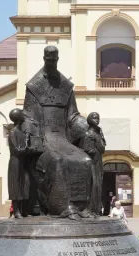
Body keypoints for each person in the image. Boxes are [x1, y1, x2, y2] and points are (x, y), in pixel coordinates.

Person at [22, 45, 96, 220]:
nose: (52, 62)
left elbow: (73, 116)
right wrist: (33, 134)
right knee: (57, 160)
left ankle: (82, 207)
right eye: (49, 60)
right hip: (44, 137)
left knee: (84, 160)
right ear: (44, 59)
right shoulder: (34, 86)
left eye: (54, 60)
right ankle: (63, 207)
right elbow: (28, 115)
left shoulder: (66, 86)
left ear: (58, 59)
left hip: (63, 139)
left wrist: (87, 127)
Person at [81, 112, 106, 216]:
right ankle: (90, 208)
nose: (97, 120)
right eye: (95, 118)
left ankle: (95, 209)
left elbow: (102, 149)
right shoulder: (88, 134)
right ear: (90, 120)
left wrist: (98, 138)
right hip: (92, 163)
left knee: (98, 185)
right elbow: (88, 150)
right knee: (93, 185)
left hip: (98, 162)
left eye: (98, 118)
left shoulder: (97, 134)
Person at [7, 108, 30, 219]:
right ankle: (16, 211)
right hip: (15, 162)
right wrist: (26, 145)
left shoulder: (22, 132)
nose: (24, 115)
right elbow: (16, 150)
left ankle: (23, 210)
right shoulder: (13, 132)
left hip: (23, 162)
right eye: (22, 114)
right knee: (15, 186)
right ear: (18, 117)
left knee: (24, 185)